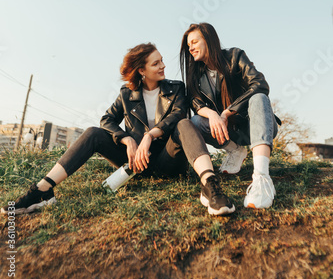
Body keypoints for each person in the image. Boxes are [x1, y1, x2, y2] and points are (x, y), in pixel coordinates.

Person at [2, 43, 235, 217]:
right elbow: (107, 119)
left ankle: (210, 185)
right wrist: (126, 140)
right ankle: (43, 189)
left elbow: (177, 116)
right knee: (93, 132)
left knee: (185, 123)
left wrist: (149, 136)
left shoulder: (176, 89)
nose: (163, 65)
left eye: (162, 60)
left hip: (168, 160)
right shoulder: (126, 94)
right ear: (141, 70)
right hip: (134, 164)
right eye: (156, 63)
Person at [180, 23, 281, 210]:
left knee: (259, 96)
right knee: (195, 121)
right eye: (188, 45)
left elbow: (260, 84)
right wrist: (212, 114)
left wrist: (227, 112)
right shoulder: (197, 73)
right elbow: (194, 101)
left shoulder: (235, 56)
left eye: (194, 42)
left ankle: (261, 178)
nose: (191, 48)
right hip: (228, 132)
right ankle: (235, 150)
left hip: (255, 126)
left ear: (209, 40)